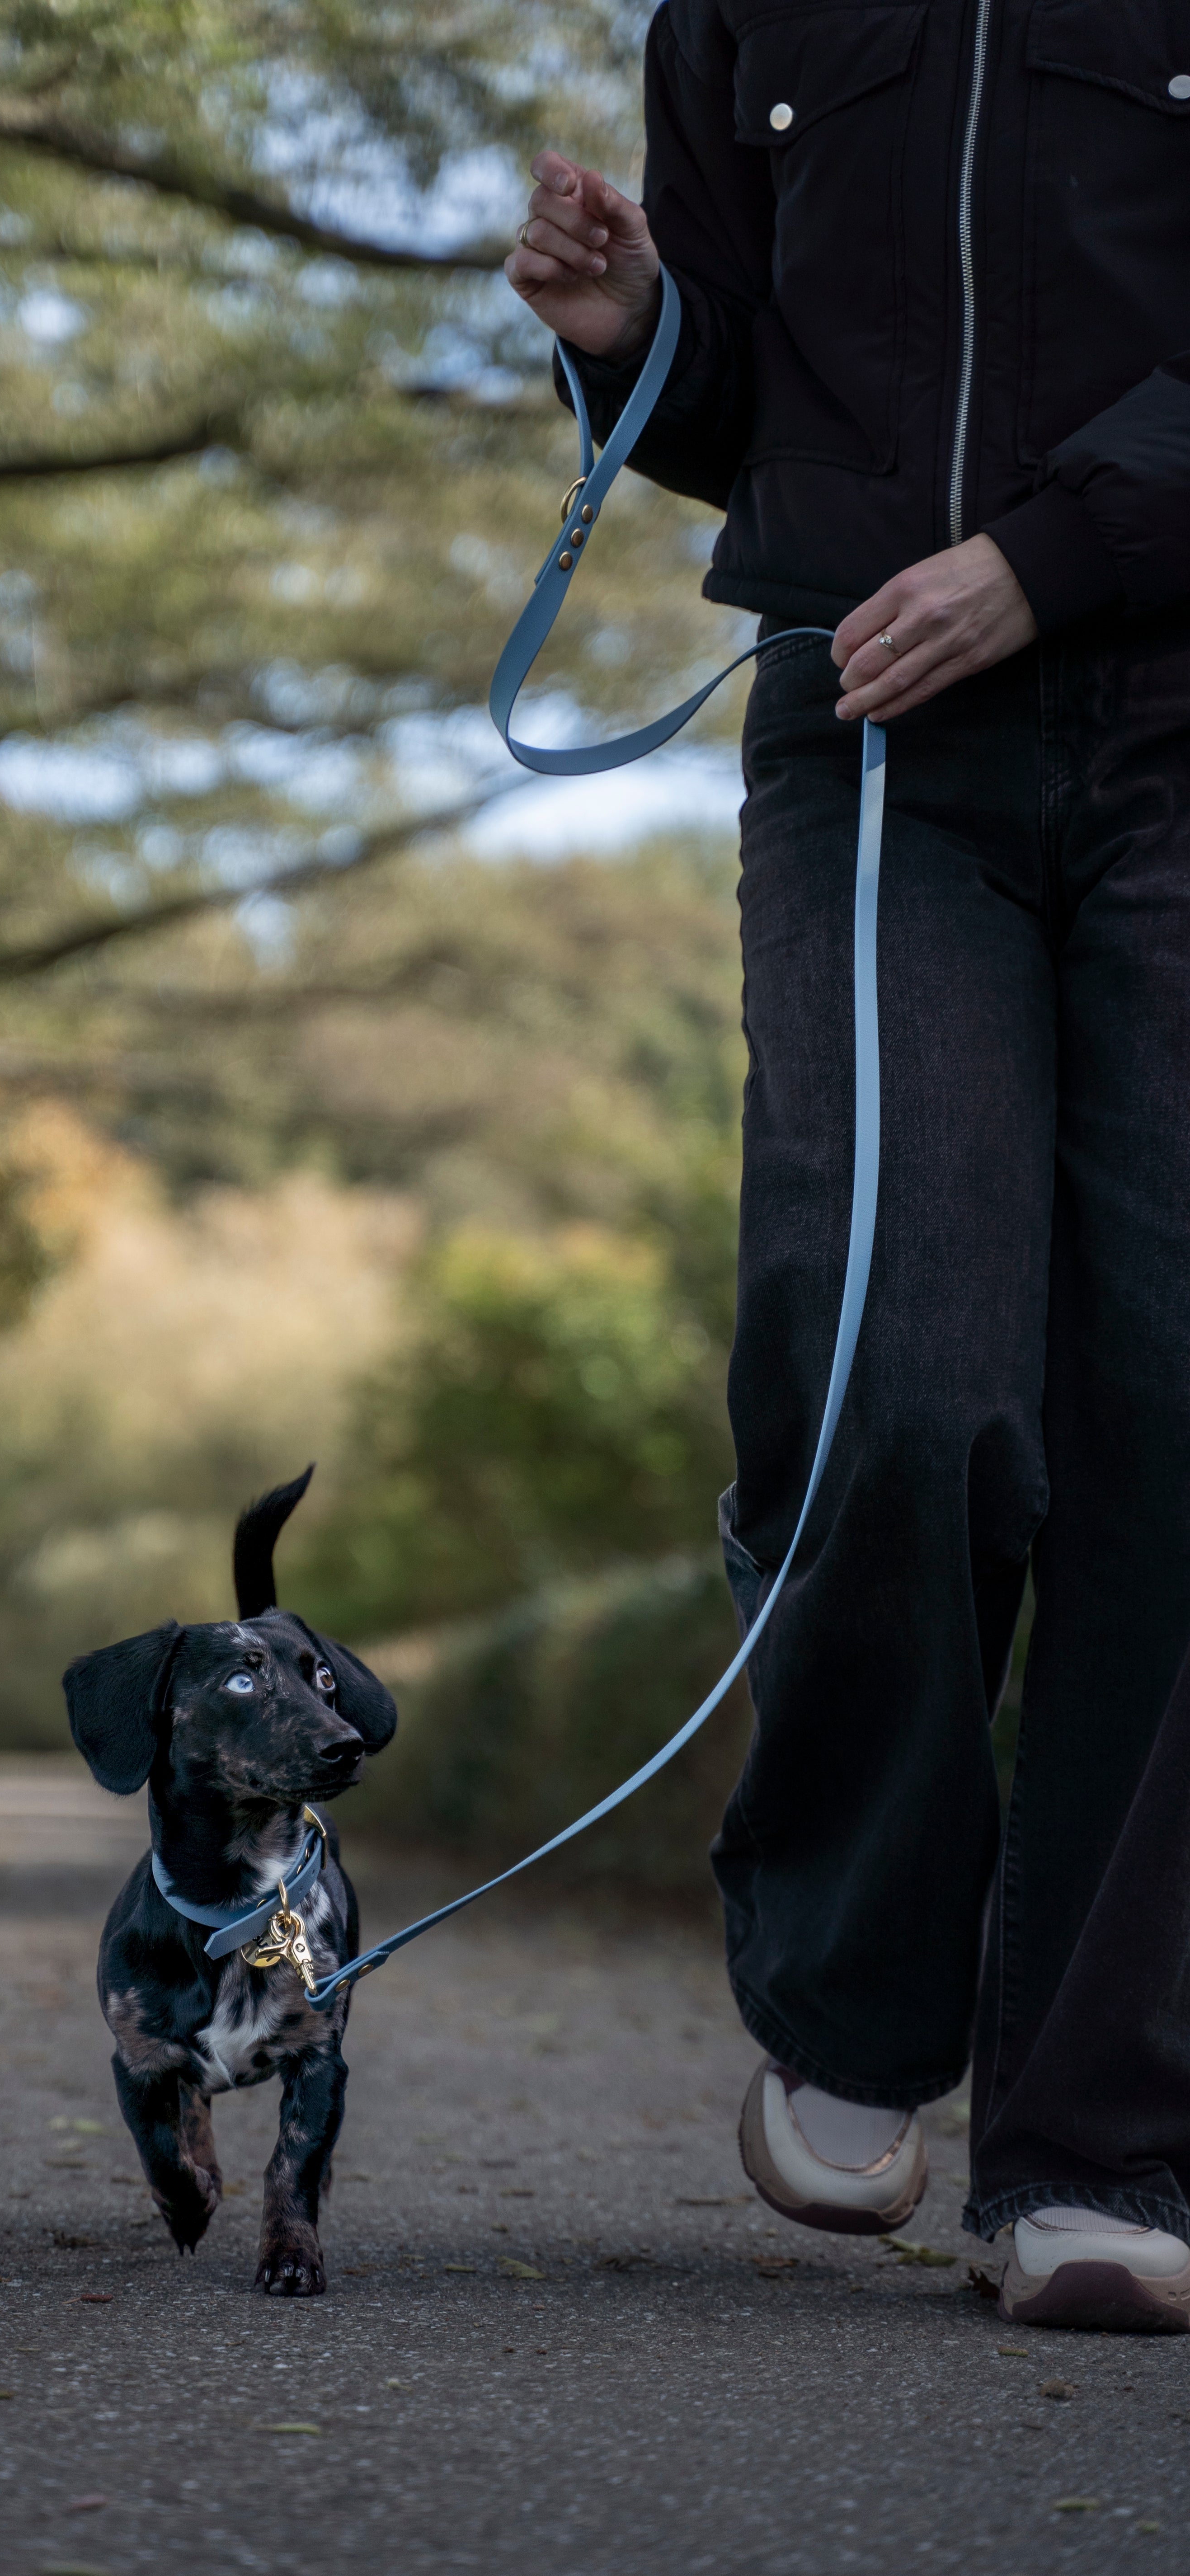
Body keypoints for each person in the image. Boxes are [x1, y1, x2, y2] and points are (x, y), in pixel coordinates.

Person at [508, 0, 1190, 2332]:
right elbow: (749, 408)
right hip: (879, 735)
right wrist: (632, 336)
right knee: (887, 1351)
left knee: (1174, 1423)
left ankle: (1106, 2149)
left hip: (1183, 722)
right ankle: (855, 1995)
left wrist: (1062, 548)